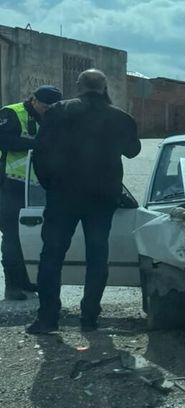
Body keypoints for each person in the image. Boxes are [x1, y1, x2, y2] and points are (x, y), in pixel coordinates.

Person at [26, 69, 140, 334]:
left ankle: (47, 319)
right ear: (104, 87)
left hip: (63, 195)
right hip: (102, 198)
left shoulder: (58, 111)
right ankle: (89, 318)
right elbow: (133, 151)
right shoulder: (120, 117)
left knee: (52, 256)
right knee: (97, 257)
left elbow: (40, 152)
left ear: (79, 86)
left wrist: (50, 184)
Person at [0, 85, 64, 301]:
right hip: (9, 184)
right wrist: (37, 144)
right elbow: (4, 140)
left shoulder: (54, 117)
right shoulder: (12, 113)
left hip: (36, 186)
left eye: (51, 108)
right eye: (45, 107)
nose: (47, 111)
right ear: (34, 100)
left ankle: (25, 280)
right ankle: (12, 285)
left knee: (31, 235)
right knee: (12, 235)